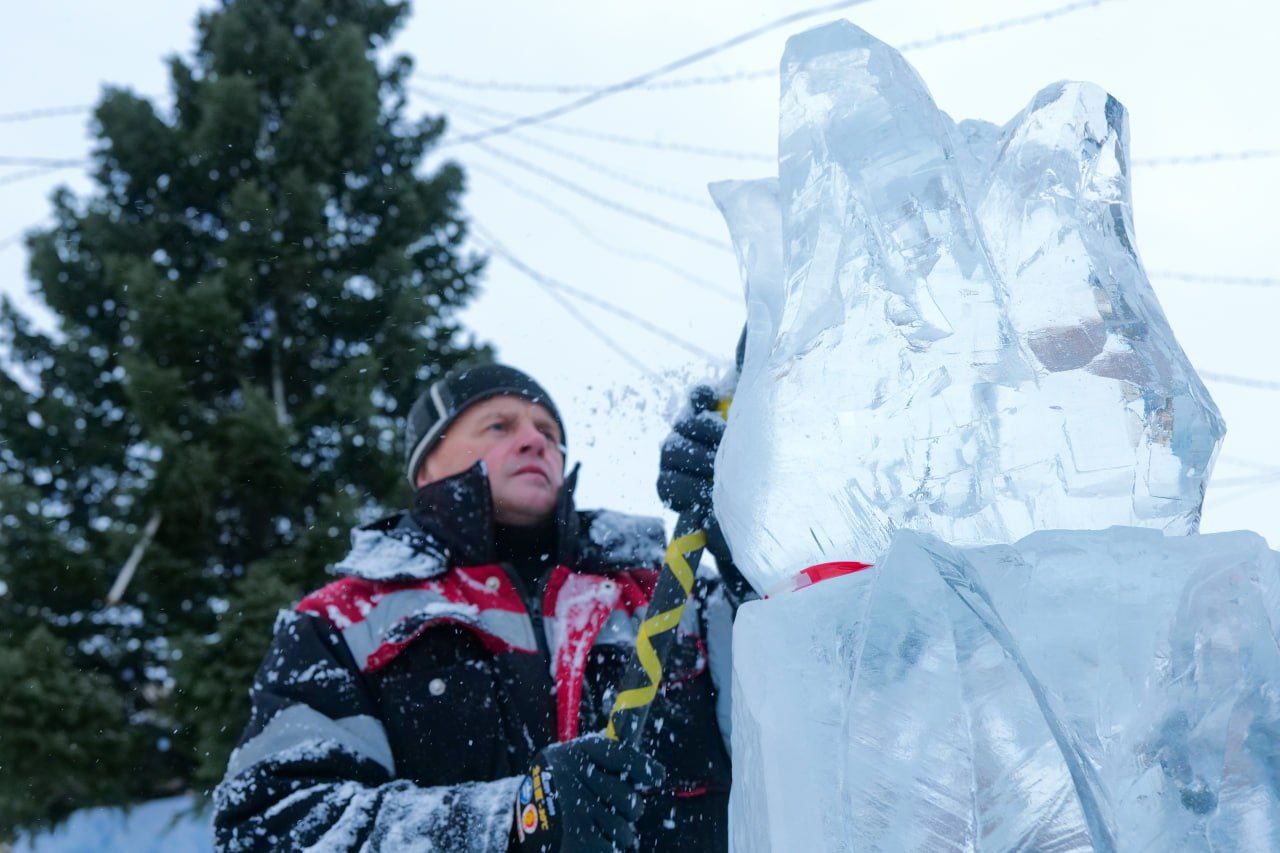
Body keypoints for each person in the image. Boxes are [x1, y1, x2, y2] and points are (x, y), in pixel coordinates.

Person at [214, 364, 732, 852]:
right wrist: (511, 820)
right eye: (498, 426)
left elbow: (796, 684)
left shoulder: (672, 594)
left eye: (550, 434)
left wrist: (742, 536)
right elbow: (268, 825)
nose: (536, 442)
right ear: (425, 466)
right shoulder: (344, 622)